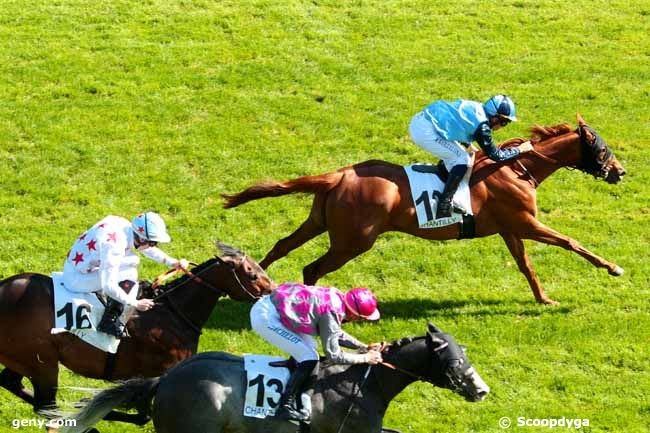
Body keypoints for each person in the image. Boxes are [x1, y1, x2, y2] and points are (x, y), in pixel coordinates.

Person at [250, 283, 383, 423]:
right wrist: (365, 358)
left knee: (311, 348)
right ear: (353, 314)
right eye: (361, 318)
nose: (360, 321)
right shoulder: (332, 312)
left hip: (274, 308)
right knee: (309, 357)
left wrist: (363, 346)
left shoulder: (337, 299)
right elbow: (334, 355)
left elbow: (335, 333)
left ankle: (293, 369)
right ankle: (284, 406)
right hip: (267, 318)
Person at [62, 211, 189, 338]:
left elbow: (147, 249)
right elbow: (108, 286)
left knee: (130, 261)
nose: (153, 246)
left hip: (79, 266)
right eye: (153, 243)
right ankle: (109, 321)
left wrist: (173, 262)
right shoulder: (114, 247)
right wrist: (135, 303)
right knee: (130, 270)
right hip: (76, 279)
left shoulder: (125, 226)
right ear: (141, 239)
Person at [409, 94, 533, 219]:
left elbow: (456, 122)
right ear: (495, 118)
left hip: (424, 121)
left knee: (460, 155)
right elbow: (496, 155)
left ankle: (445, 175)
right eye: (504, 122)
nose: (503, 126)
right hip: (425, 132)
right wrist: (519, 149)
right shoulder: (482, 126)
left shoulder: (477, 108)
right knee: (462, 160)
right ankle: (444, 205)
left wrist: (467, 145)